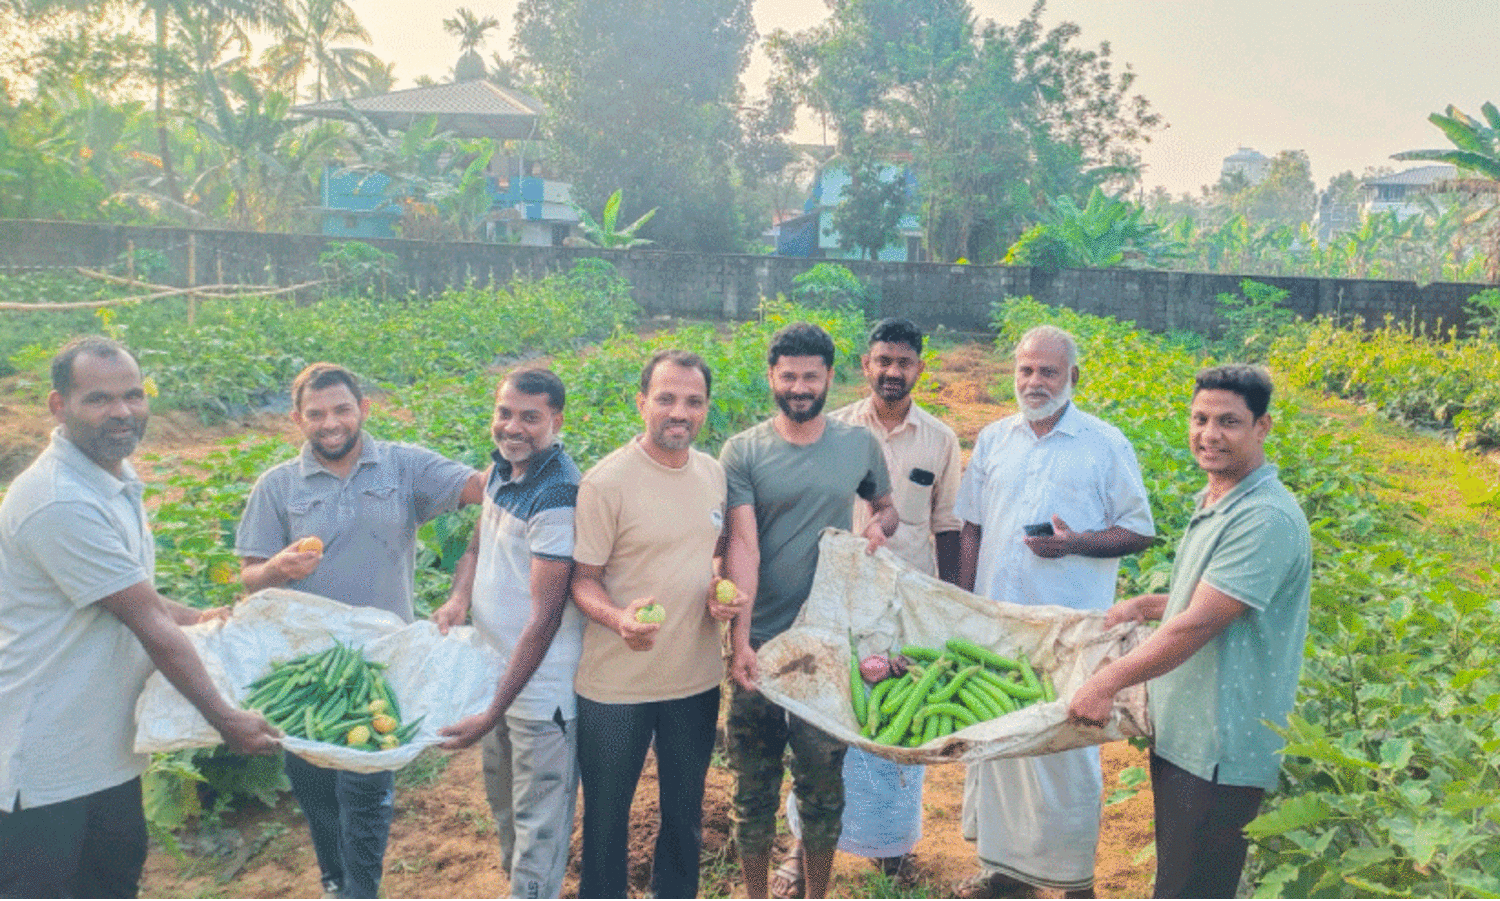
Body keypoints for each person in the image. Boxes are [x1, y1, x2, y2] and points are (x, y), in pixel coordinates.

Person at [0, 336, 279, 899]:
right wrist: (225, 719)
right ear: (58, 406)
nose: (122, 412)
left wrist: (201, 615)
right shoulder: (60, 500)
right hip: (46, 763)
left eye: (133, 395)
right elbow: (146, 620)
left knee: (113, 883)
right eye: (99, 399)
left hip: (108, 753)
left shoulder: (111, 481)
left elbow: (136, 597)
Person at [236, 362, 484, 900]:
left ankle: (360, 889)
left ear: (363, 409)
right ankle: (335, 880)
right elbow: (251, 577)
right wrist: (275, 569)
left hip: (380, 663)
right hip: (305, 667)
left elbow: (487, 492)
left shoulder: (403, 466)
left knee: (367, 782)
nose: (331, 423)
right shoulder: (277, 487)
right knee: (314, 784)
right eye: (317, 413)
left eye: (342, 409)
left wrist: (463, 587)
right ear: (298, 419)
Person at [1067, 364, 1310, 899]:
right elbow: (1197, 600)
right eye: (1200, 418)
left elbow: (1196, 625)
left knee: (1192, 887)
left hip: (1221, 745)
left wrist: (1105, 682)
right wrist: (1146, 604)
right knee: (1181, 878)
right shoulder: (1219, 501)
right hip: (1188, 732)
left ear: (1262, 427)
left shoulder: (1265, 518)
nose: (1209, 434)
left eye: (1229, 422)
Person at [954, 325, 1155, 900]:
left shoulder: (1105, 443)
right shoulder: (994, 439)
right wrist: (966, 603)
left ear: (1073, 378)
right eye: (1026, 370)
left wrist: (1076, 543)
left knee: (1065, 753)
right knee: (998, 743)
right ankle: (1005, 873)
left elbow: (1138, 531)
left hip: (1071, 630)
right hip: (999, 624)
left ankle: (1073, 881)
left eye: (1047, 371)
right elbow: (971, 526)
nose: (1035, 382)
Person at [779, 318, 963, 895]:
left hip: (904, 607)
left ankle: (892, 845)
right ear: (865, 366)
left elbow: (948, 527)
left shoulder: (940, 439)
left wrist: (952, 604)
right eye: (882, 361)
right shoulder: (830, 432)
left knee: (899, 725)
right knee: (825, 722)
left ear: (919, 369)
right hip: (833, 601)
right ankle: (800, 847)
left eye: (903, 362)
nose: (892, 372)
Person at [720, 321, 899, 900]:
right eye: (789, 375)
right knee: (752, 788)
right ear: (772, 377)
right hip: (762, 642)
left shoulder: (857, 445)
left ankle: (815, 893)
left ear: (829, 377)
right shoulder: (743, 450)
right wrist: (739, 641)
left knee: (823, 786)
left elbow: (888, 506)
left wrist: (878, 524)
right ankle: (754, 893)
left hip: (825, 646)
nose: (800, 386)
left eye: (811, 376)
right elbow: (742, 546)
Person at [569, 349, 747, 899]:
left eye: (693, 401)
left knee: (684, 817)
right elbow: (583, 579)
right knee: (604, 818)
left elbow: (710, 554)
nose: (680, 412)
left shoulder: (712, 474)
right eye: (666, 398)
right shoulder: (607, 483)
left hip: (692, 680)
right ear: (641, 401)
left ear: (706, 409)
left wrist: (720, 590)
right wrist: (617, 618)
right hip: (614, 684)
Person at [428, 367, 584, 900]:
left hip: (538, 697)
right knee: (505, 810)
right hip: (495, 677)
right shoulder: (500, 470)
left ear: (556, 421)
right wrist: (456, 599)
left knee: (539, 822)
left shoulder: (558, 493)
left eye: (530, 417)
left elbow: (543, 621)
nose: (514, 427)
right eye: (505, 413)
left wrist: (491, 710)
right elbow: (476, 546)